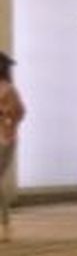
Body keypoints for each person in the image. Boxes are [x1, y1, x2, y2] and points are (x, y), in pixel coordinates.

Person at [0, 52, 25, 242]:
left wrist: (8, 120)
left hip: (4, 139)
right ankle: (4, 222)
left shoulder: (8, 89)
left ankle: (4, 223)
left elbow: (20, 112)